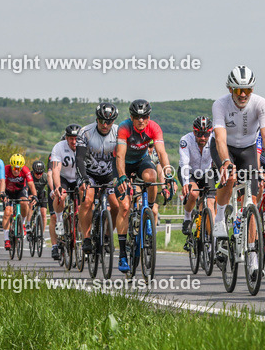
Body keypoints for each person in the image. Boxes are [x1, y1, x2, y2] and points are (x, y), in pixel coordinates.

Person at [211, 66, 265, 252]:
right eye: (238, 90)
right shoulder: (220, 105)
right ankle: (220, 218)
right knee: (229, 177)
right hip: (224, 147)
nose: (243, 94)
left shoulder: (260, 104)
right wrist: (226, 162)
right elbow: (220, 138)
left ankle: (251, 251)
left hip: (248, 149)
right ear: (230, 89)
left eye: (248, 90)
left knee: (251, 200)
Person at [114, 100, 175, 274]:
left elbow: (161, 153)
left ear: (149, 117)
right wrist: (122, 177)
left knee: (152, 176)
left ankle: (148, 211)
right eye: (137, 117)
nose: (141, 120)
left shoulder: (154, 127)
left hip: (141, 161)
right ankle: (123, 254)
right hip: (123, 163)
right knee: (125, 207)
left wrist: (169, 173)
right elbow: (119, 156)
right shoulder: (125, 128)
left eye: (145, 117)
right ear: (131, 117)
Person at [75, 102, 122, 258]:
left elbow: (121, 157)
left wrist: (120, 177)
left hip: (109, 173)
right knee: (87, 200)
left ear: (113, 121)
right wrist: (83, 179)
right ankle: (86, 238)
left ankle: (108, 236)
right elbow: (80, 158)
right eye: (101, 120)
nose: (105, 124)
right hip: (88, 173)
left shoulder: (118, 132)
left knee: (116, 205)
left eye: (108, 122)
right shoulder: (85, 132)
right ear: (96, 118)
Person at [179, 116, 216, 247]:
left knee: (210, 204)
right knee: (194, 193)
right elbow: (184, 162)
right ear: (194, 132)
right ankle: (187, 217)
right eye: (199, 134)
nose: (202, 138)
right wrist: (185, 182)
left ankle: (211, 241)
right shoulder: (186, 140)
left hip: (206, 172)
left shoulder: (214, 139)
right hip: (189, 172)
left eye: (206, 134)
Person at [49, 125, 81, 261]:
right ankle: (60, 220)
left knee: (84, 206)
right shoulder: (59, 147)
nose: (74, 142)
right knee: (60, 195)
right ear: (66, 138)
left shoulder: (85, 145)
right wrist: (57, 187)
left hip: (79, 178)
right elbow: (55, 170)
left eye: (76, 138)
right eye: (70, 139)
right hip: (64, 178)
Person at [1, 154, 36, 251]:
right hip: (8, 191)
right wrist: (2, 193)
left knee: (24, 202)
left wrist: (35, 195)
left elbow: (31, 184)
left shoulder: (25, 170)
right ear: (11, 166)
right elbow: (2, 182)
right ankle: (6, 239)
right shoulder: (6, 169)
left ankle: (23, 223)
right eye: (14, 168)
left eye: (18, 168)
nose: (16, 170)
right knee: (7, 212)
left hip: (20, 191)